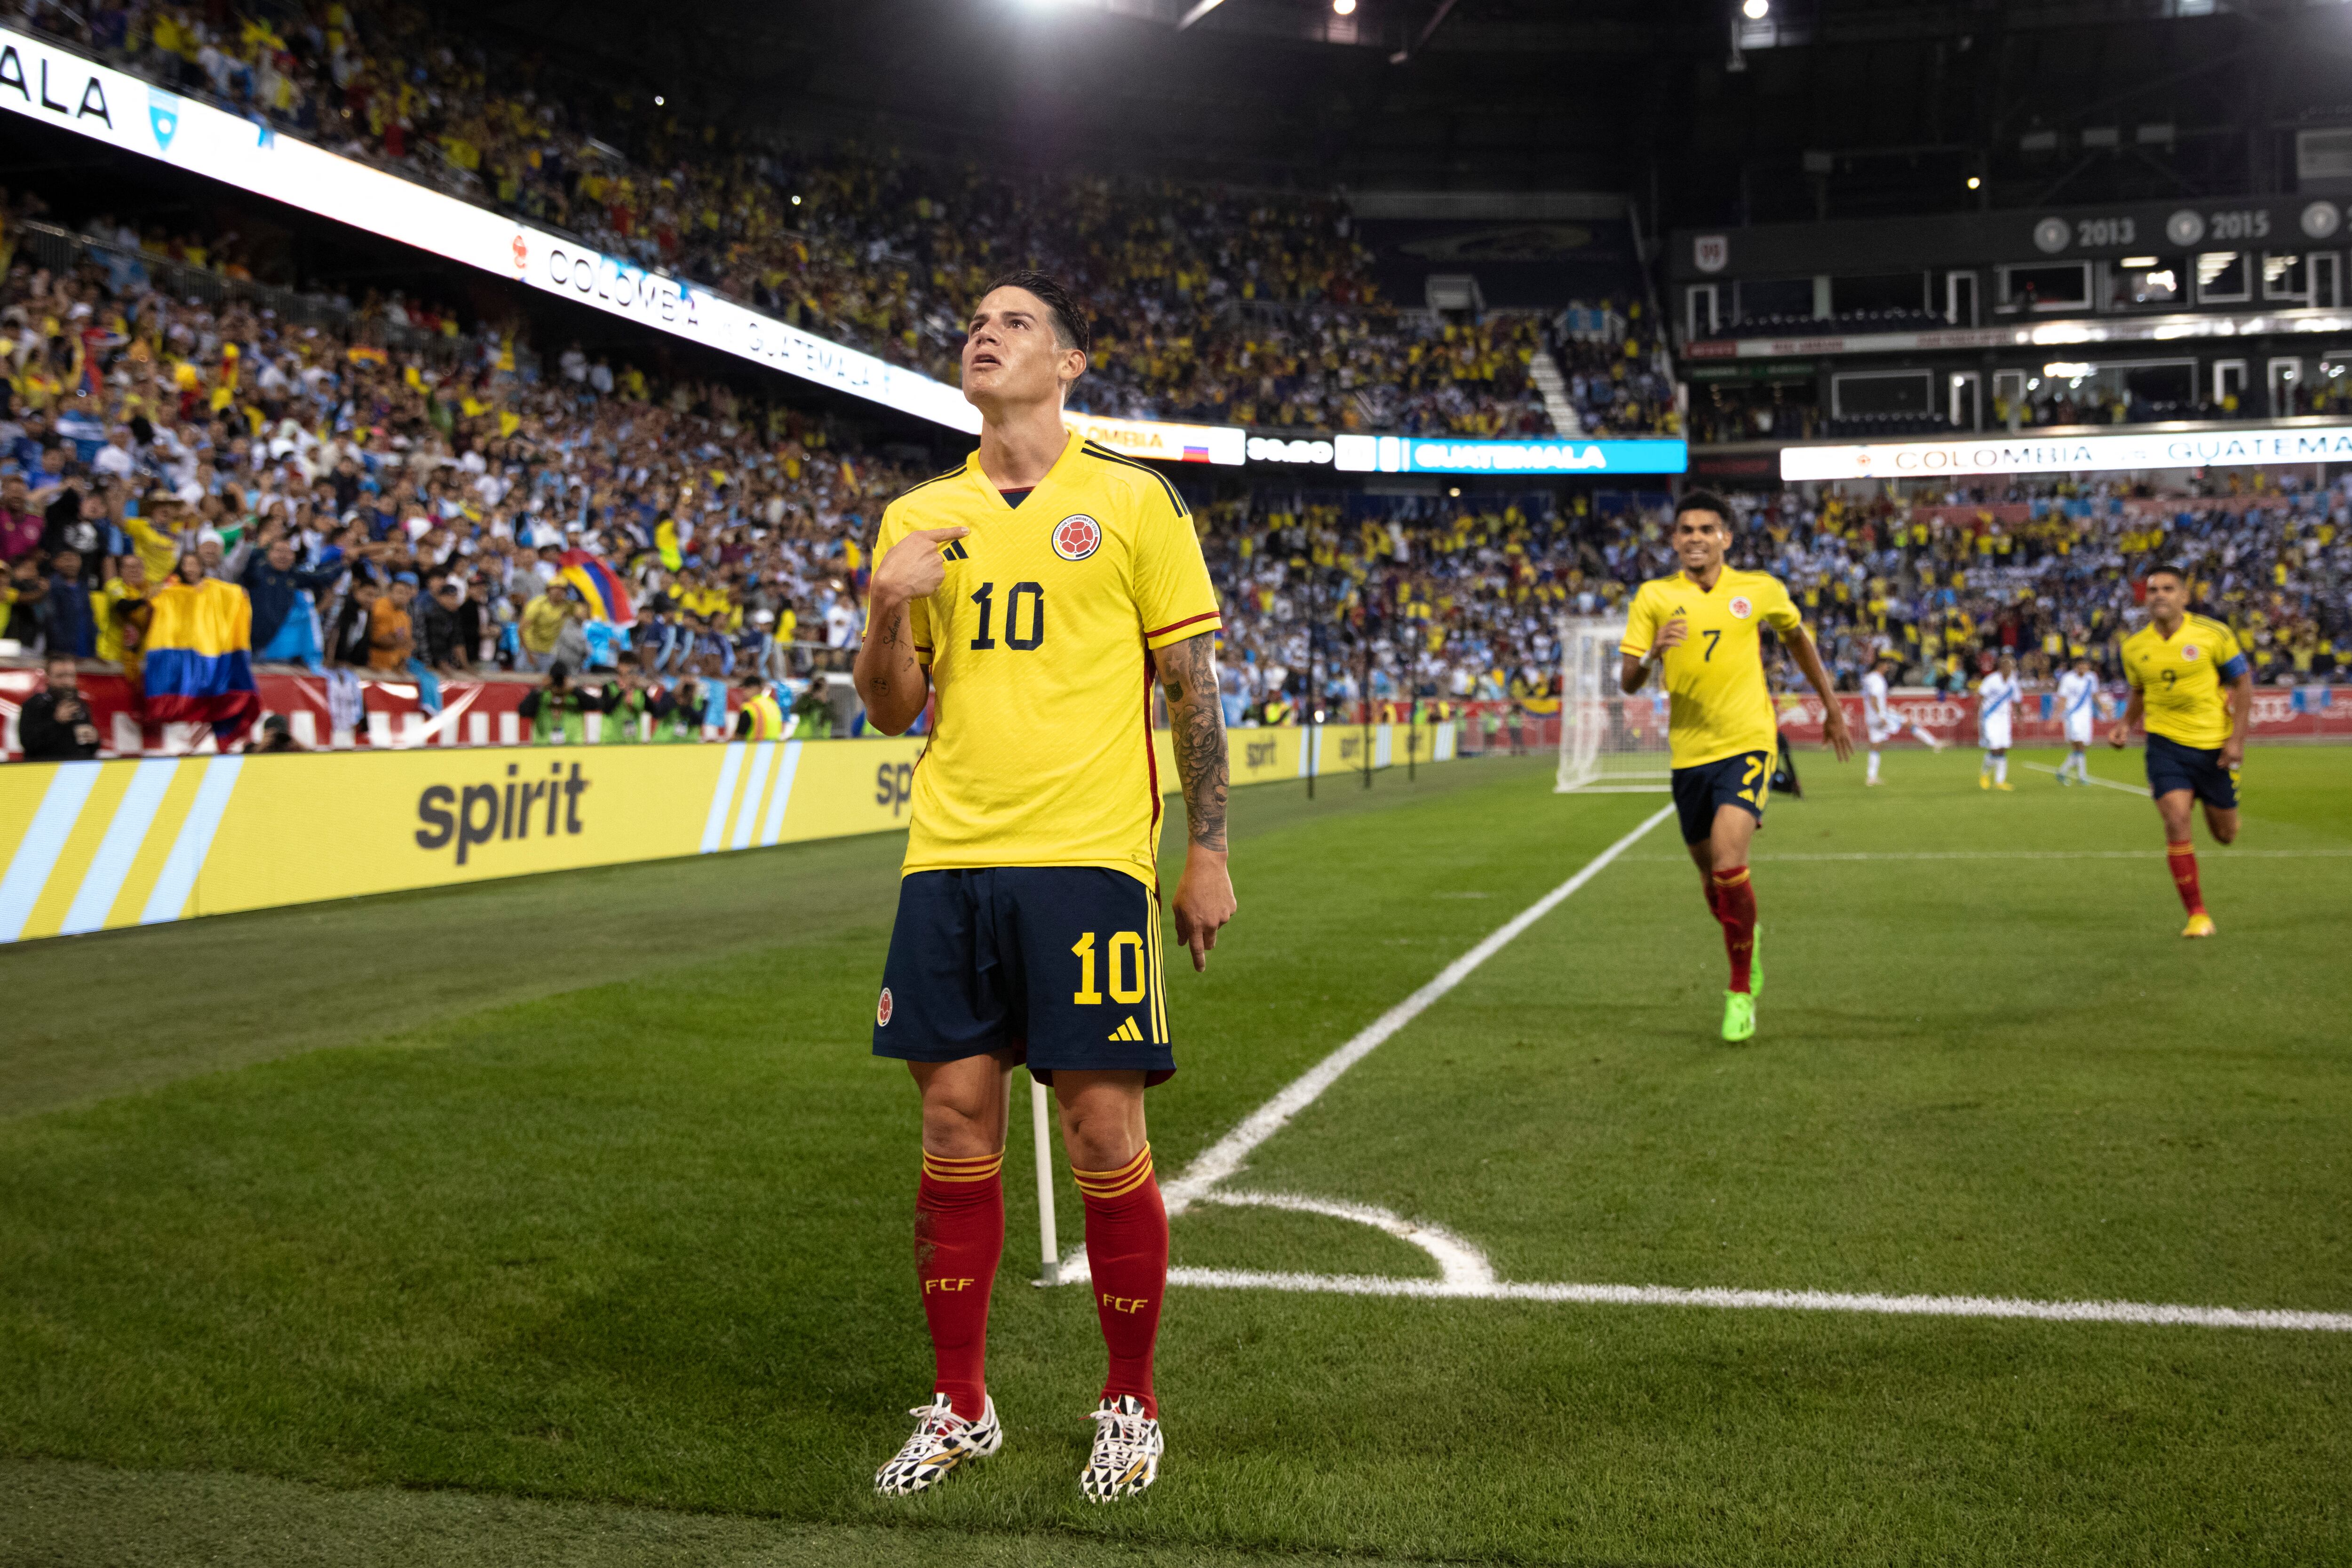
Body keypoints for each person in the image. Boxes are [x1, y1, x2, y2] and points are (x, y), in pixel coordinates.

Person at [856, 272, 1233, 1504]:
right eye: (973, 320)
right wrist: (883, 607)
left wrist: (1209, 848)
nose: (984, 331)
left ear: (1069, 365)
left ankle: (1131, 1400)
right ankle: (962, 1404)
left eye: (1015, 321)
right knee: (954, 1125)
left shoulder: (1133, 499)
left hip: (1088, 861)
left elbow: (1192, 689)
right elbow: (895, 707)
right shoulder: (917, 514)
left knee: (1102, 1130)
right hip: (949, 859)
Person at [1618, 490, 1851, 1044]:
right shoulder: (1653, 597)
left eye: (1705, 529)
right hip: (1689, 754)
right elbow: (1627, 680)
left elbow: (1797, 639)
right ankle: (1747, 936)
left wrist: (1831, 707)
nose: (1694, 537)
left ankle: (1740, 991)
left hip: (1747, 741)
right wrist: (1651, 654)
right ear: (1673, 540)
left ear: (1725, 538)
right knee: (1710, 879)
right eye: (1685, 530)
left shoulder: (1759, 590)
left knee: (1728, 864)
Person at [2109, 565, 2252, 938]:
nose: (2159, 595)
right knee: (2176, 819)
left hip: (2211, 747)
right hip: (2164, 746)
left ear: (2185, 596)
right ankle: (2198, 914)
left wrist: (2236, 739)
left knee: (2226, 834)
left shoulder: (2214, 634)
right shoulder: (2134, 647)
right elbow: (2140, 690)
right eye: (2153, 589)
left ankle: (2225, 789)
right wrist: (2127, 723)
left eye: (2168, 588)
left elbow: (2242, 681)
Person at [1859, 653, 1943, 784]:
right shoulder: (1878, 680)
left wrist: (1885, 709)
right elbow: (1874, 698)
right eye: (1887, 665)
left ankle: (1871, 778)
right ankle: (1934, 743)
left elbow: (1870, 697)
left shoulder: (1868, 678)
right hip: (1880, 717)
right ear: (1881, 666)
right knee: (1908, 723)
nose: (1888, 667)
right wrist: (1882, 714)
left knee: (1876, 746)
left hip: (1870, 717)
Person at [18, 651, 102, 759]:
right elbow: (29, 743)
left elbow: (88, 748)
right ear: (48, 677)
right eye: (60, 676)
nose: (66, 681)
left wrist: (95, 740)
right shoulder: (34, 705)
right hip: (44, 771)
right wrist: (57, 722)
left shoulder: (81, 705)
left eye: (71, 676)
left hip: (79, 770)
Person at [1976, 653, 2021, 791]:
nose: (2008, 669)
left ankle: (2000, 781)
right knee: (1994, 748)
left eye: (2011, 666)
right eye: (2006, 666)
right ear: (2000, 667)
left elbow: (2017, 700)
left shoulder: (2013, 682)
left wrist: (2019, 717)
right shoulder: (1991, 680)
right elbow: (1980, 696)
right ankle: (1985, 773)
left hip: (2004, 719)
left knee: (2003, 748)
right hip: (1990, 718)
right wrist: (1976, 717)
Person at [2054, 655, 2100, 786]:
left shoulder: (2092, 678)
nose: (2083, 667)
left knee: (2083, 747)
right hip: (2072, 716)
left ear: (2088, 666)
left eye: (2085, 665)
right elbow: (2062, 697)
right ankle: (2082, 777)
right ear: (2076, 666)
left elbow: (2094, 694)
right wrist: (2057, 716)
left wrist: (2102, 708)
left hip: (2086, 716)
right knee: (2078, 744)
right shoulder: (2068, 678)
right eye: (2080, 665)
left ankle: (2062, 772)